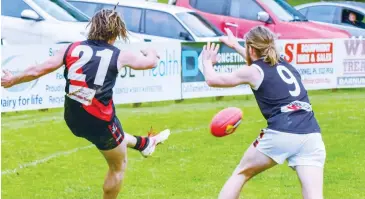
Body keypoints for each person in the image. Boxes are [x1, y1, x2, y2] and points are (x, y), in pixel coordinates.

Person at [1, 8, 170, 199]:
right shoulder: (120, 55)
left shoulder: (70, 48)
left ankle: (145, 144)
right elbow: (150, 63)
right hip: (99, 121)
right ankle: (145, 145)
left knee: (117, 135)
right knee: (118, 166)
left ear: (93, 27)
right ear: (116, 32)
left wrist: (13, 80)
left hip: (72, 118)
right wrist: (152, 52)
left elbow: (37, 70)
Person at [201, 26, 326, 199]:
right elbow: (258, 62)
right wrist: (236, 46)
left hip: (283, 132)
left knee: (241, 173)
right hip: (311, 135)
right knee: (315, 196)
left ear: (251, 49)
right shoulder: (284, 62)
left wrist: (207, 61)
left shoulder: (253, 71)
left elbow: (212, 80)